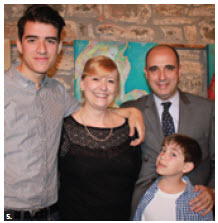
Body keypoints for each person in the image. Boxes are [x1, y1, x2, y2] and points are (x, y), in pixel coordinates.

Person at [4, 5, 145, 221]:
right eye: (32, 40)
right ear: (19, 44)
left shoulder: (58, 93)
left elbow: (93, 111)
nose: (42, 49)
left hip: (51, 213)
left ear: (59, 47)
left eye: (50, 41)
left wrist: (130, 111)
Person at [121, 45, 215, 218]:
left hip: (194, 208)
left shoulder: (208, 110)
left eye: (169, 68)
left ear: (179, 71)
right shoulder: (129, 109)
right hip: (145, 208)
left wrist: (213, 190)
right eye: (154, 69)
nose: (162, 77)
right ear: (146, 73)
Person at [58, 55, 142, 221]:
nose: (103, 87)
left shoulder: (131, 128)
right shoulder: (64, 129)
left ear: (116, 87)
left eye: (110, 81)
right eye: (96, 79)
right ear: (82, 83)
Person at [133, 134, 213, 221]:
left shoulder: (198, 202)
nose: (163, 156)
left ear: (187, 167)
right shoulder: (147, 191)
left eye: (173, 154)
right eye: (163, 150)